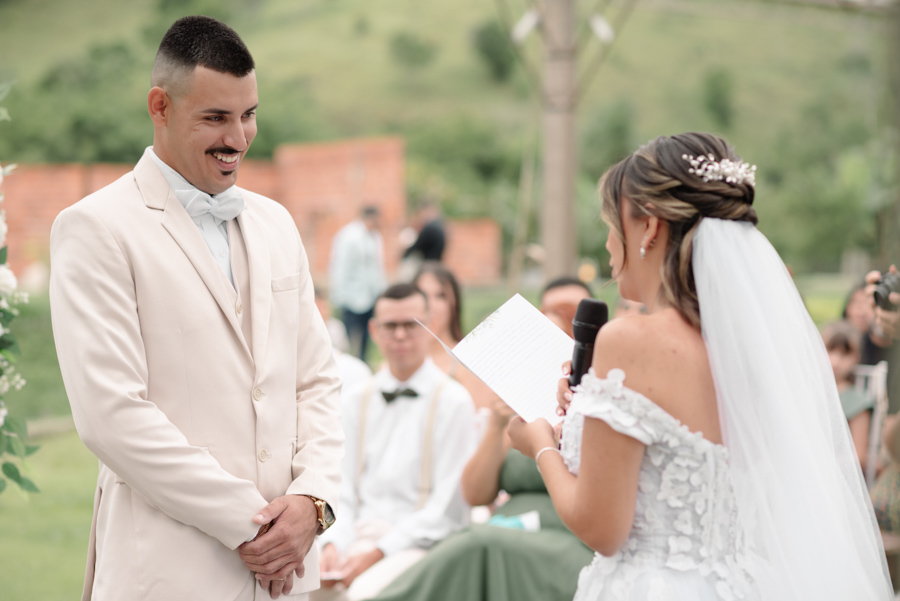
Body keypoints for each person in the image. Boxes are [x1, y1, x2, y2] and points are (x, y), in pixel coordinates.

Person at [508, 132, 892, 600]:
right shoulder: (753, 352)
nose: (608, 243)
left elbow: (601, 528)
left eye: (612, 224)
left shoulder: (629, 342)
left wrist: (541, 445)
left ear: (649, 227)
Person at [49, 16, 343, 601]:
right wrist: (253, 526)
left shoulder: (276, 223)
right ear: (160, 106)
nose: (239, 137)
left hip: (285, 579)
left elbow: (317, 381)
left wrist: (314, 502)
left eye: (249, 114)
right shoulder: (95, 228)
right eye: (215, 118)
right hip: (169, 574)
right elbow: (111, 415)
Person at [315, 283, 477, 601]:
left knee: (362, 594)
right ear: (374, 330)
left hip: (421, 543)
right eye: (391, 326)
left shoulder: (455, 402)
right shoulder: (354, 399)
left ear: (430, 327)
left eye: (411, 325)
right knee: (301, 584)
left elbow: (447, 507)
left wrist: (378, 551)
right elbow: (340, 487)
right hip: (355, 534)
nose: (401, 335)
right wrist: (333, 543)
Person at [412, 262, 496, 411]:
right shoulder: (395, 363)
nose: (430, 305)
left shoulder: (470, 364)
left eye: (440, 296)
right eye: (423, 295)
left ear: (454, 303)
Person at [329, 206, 387, 360]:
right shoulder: (349, 236)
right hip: (351, 296)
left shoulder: (375, 237)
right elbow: (340, 266)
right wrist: (338, 294)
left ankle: (362, 361)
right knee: (349, 335)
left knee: (366, 335)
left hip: (370, 295)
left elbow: (377, 266)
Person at [822, 320, 872, 470]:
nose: (835, 361)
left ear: (856, 357)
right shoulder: (809, 392)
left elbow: (858, 456)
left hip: (834, 471)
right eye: (830, 351)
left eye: (844, 354)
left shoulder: (858, 402)